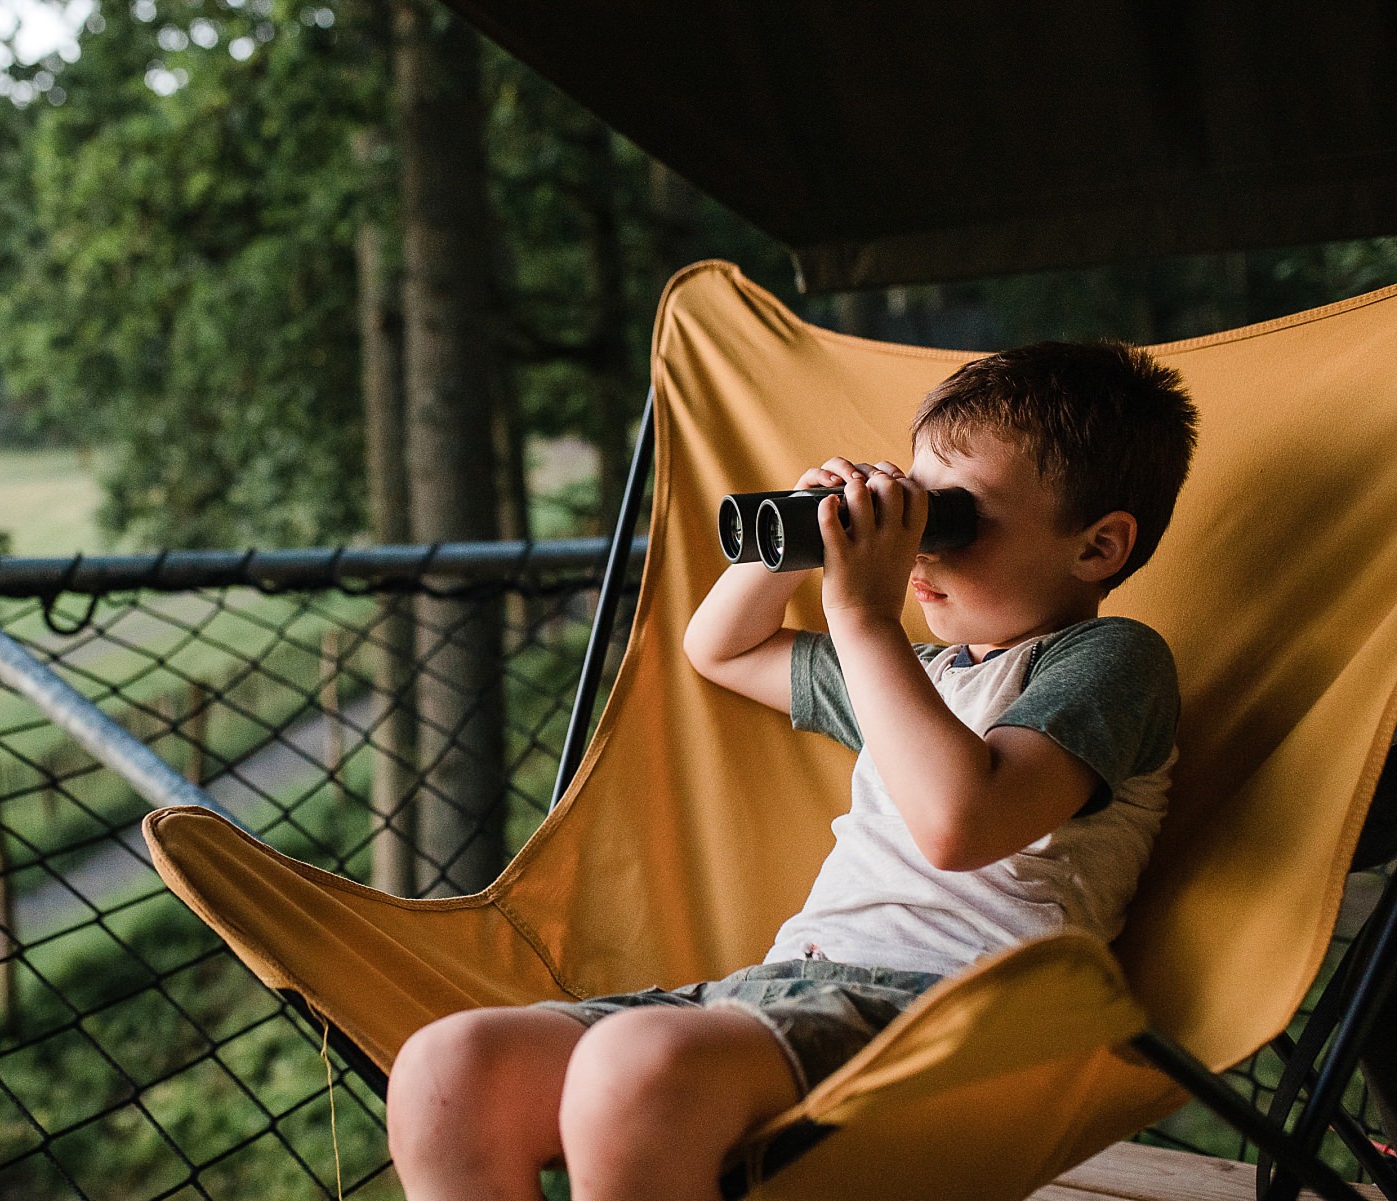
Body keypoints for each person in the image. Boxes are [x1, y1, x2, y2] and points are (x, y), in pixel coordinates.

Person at [384, 341, 1200, 1201]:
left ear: (1098, 547)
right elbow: (720, 648)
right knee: (450, 1068)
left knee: (632, 1070)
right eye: (911, 505)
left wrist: (860, 611)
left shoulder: (1113, 660)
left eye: (950, 516)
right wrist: (800, 536)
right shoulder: (914, 678)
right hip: (783, 989)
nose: (916, 545)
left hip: (959, 1024)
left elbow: (962, 823)